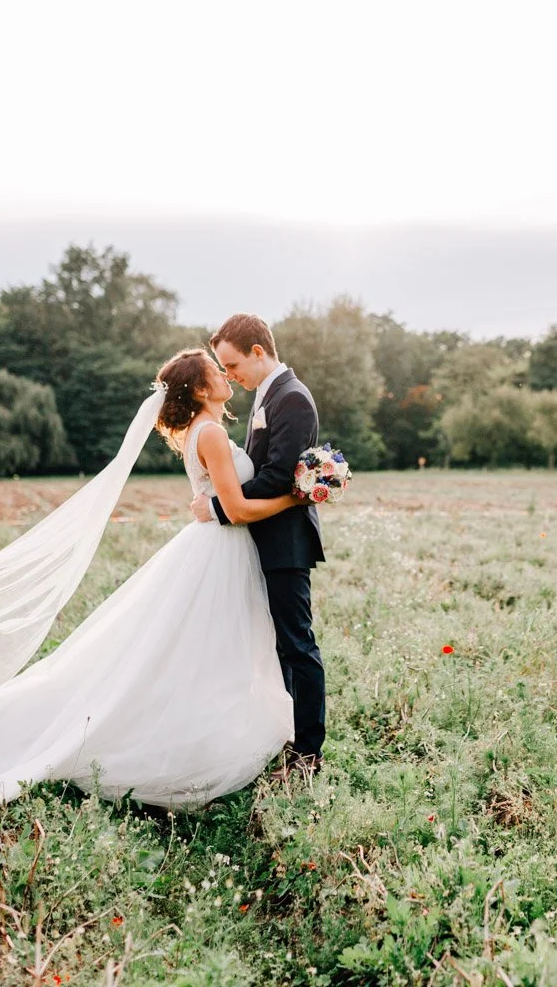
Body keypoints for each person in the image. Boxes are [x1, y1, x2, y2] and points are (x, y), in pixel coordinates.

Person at [0, 349, 299, 825]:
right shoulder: (211, 433)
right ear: (199, 389)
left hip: (216, 551)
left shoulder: (205, 429)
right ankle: (176, 745)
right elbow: (234, 509)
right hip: (217, 551)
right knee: (193, 653)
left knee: (188, 653)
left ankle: (199, 733)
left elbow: (217, 499)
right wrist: (296, 495)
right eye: (216, 371)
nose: (224, 374)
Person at [190, 313, 327, 777]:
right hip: (263, 540)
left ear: (257, 351)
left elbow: (277, 476)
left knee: (297, 646)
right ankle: (283, 737)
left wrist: (222, 503)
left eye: (231, 365)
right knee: (276, 649)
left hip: (286, 543)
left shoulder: (292, 398)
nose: (229, 376)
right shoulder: (266, 396)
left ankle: (308, 753)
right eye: (221, 370)